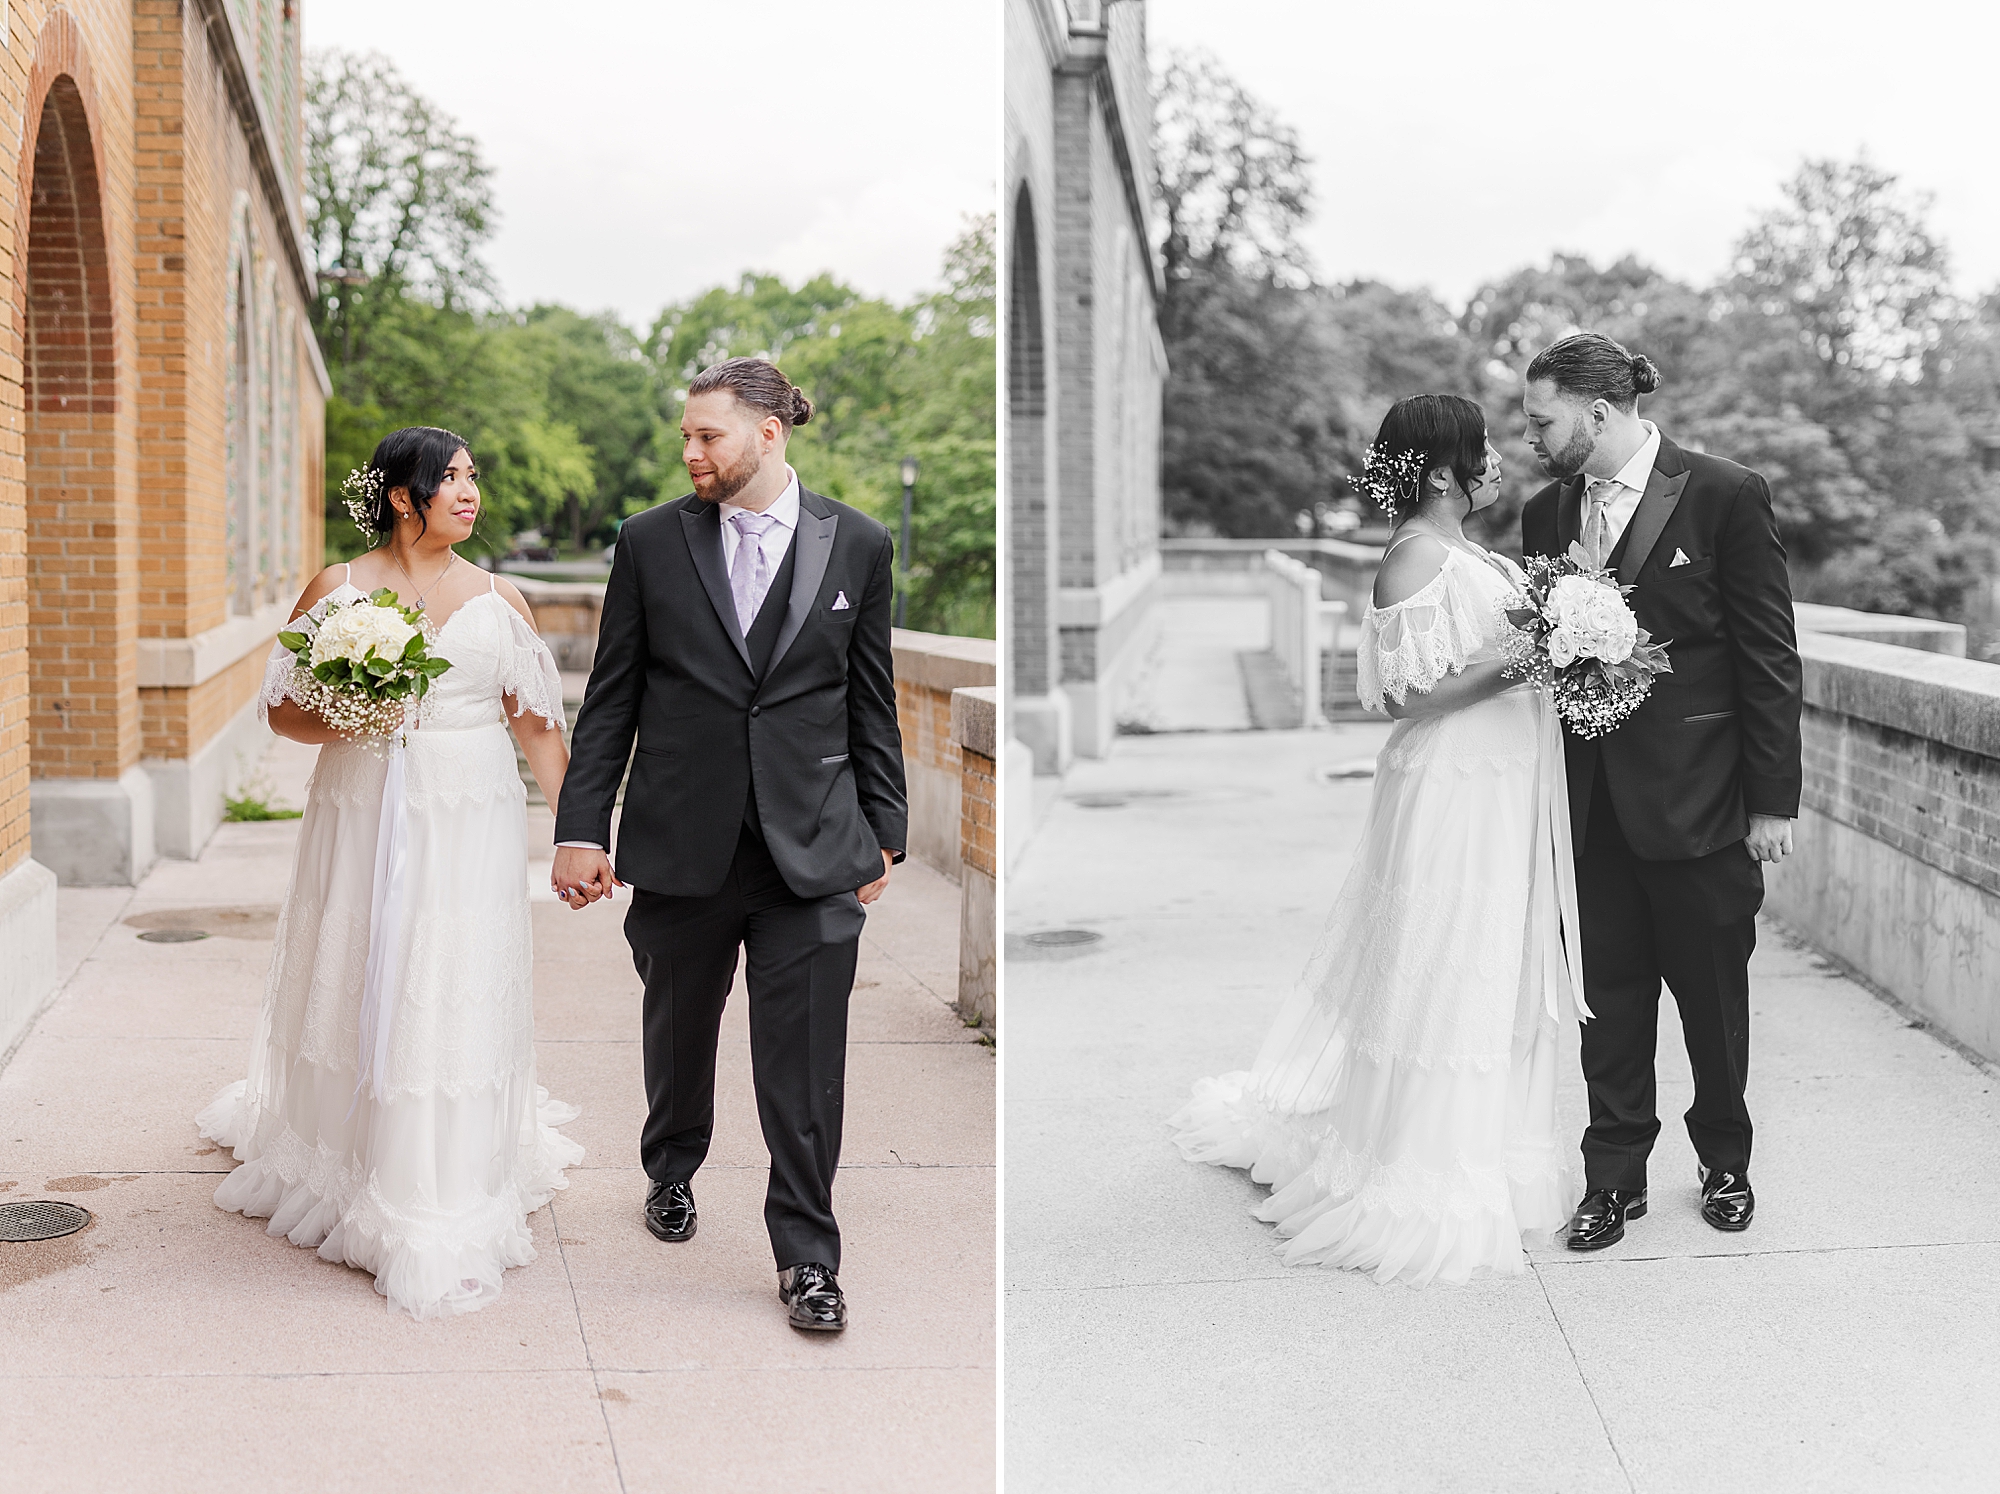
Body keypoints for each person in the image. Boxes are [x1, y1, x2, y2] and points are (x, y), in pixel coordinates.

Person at [1170, 394, 1583, 1286]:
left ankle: (1491, 1151)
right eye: (1482, 452)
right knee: (1444, 960)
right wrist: (1531, 654)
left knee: (1494, 964)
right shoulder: (1411, 558)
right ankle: (1418, 1165)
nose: (1498, 462)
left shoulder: (1469, 553)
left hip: (1503, 788)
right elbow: (1404, 695)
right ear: (1442, 471)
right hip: (1451, 790)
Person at [550, 356, 908, 1333]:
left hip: (813, 849)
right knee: (678, 1030)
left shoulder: (859, 546)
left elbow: (869, 702)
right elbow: (611, 699)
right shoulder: (649, 544)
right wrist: (584, 827)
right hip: (679, 842)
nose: (690, 452)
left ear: (767, 432)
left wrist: (888, 833)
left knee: (804, 1063)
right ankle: (670, 1162)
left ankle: (807, 1257)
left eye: (707, 435)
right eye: (685, 436)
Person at [197, 426, 584, 1320]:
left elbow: (536, 729)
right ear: (404, 496)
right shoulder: (337, 589)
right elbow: (284, 714)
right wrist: (356, 708)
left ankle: (446, 1165)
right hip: (364, 802)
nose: (469, 491)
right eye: (450, 478)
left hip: (471, 809)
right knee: (364, 953)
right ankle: (352, 1150)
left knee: (453, 967)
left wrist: (578, 832)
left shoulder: (502, 597)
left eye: (473, 476)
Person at [1520, 332, 1802, 1250]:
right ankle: (1613, 1178)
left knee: (1713, 1006)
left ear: (1597, 413)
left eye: (1542, 419)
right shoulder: (1541, 515)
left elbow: (1768, 660)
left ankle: (1726, 1161)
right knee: (1608, 1004)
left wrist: (1774, 802)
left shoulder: (1724, 493)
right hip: (1591, 811)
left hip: (1704, 807)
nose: (1529, 436)